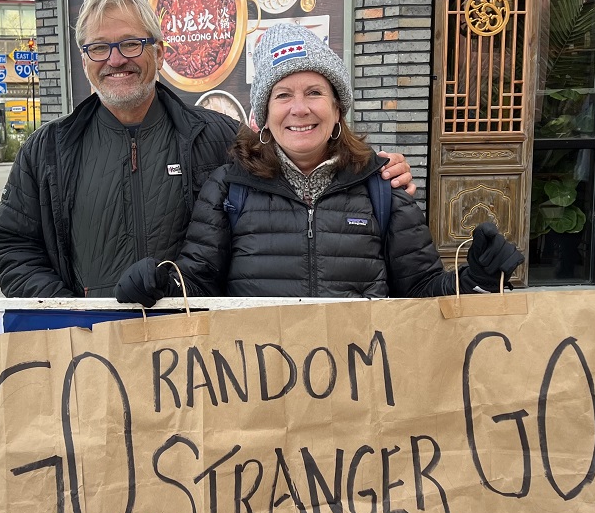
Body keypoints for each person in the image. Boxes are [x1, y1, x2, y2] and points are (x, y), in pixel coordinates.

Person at [0, 0, 415, 298]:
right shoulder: (48, 151)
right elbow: (13, 245)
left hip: (198, 359)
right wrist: (65, 312)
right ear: (84, 60)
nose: (116, 59)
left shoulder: (220, 137)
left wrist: (375, 173)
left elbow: (301, 168)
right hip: (90, 350)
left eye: (132, 44)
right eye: (99, 48)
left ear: (160, 52)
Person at [114, 23, 523, 304]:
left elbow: (421, 291)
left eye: (314, 92)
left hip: (361, 388)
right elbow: (198, 284)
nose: (300, 109)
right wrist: (162, 283)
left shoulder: (380, 184)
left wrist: (478, 280)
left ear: (336, 109)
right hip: (257, 389)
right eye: (283, 95)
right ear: (265, 115)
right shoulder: (228, 188)